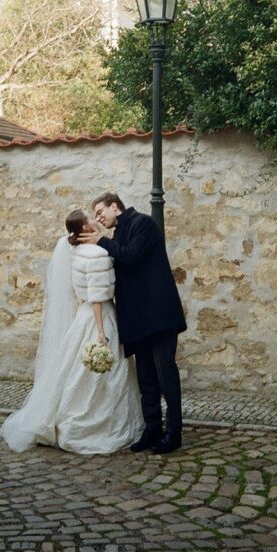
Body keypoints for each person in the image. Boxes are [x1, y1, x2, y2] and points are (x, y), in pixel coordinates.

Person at [0, 209, 144, 455]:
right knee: (104, 372)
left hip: (84, 315)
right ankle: (93, 426)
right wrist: (101, 332)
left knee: (76, 372)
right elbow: (98, 296)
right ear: (85, 229)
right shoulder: (97, 254)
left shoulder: (75, 251)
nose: (95, 220)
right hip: (100, 317)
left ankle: (64, 416)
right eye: (91, 218)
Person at [79, 192, 186, 455]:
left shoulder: (143, 223)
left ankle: (174, 432)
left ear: (115, 206)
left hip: (159, 315)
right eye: (96, 216)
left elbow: (132, 256)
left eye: (101, 212)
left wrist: (100, 240)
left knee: (165, 374)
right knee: (147, 378)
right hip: (138, 319)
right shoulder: (118, 234)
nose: (99, 218)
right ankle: (152, 430)